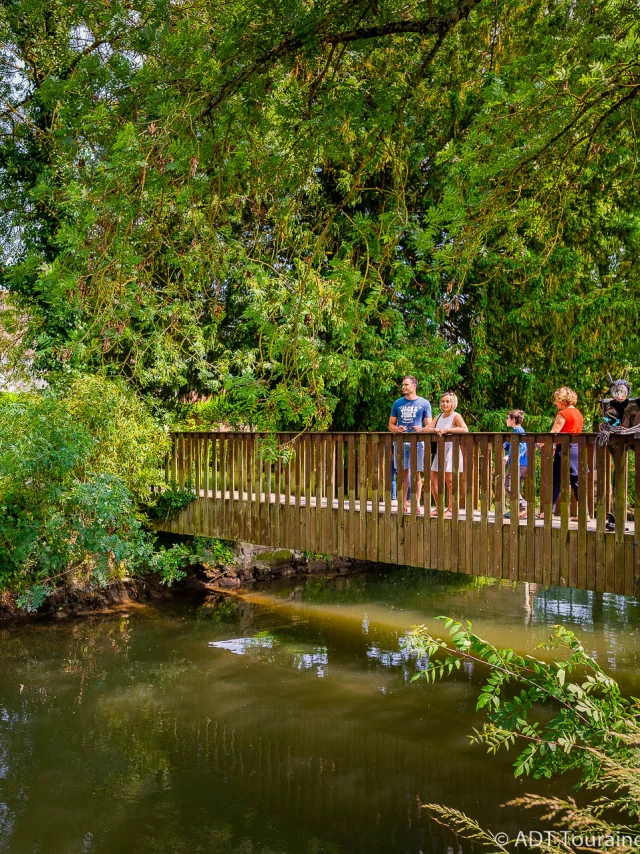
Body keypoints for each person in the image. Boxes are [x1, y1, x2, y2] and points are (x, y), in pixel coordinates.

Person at [388, 376, 432, 514]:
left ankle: (416, 503)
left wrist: (423, 430)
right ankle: (402, 503)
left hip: (418, 443)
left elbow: (429, 425)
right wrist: (396, 429)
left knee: (417, 474)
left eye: (406, 385)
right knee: (402, 473)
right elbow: (390, 424)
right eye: (402, 385)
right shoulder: (397, 403)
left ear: (414, 386)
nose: (403, 387)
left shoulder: (424, 403)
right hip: (401, 442)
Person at [424, 392, 468, 516]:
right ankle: (439, 507)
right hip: (440, 451)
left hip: (452, 450)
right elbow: (427, 428)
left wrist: (446, 430)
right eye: (443, 401)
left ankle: (451, 508)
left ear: (453, 403)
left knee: (450, 480)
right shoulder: (439, 416)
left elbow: (465, 429)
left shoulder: (456, 416)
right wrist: (435, 430)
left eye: (447, 401)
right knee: (433, 478)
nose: (444, 403)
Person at [542, 386, 583, 517]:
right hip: (577, 448)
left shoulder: (563, 413)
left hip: (565, 449)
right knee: (576, 482)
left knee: (556, 481)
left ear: (563, 400)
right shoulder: (578, 413)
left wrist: (540, 444)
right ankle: (585, 514)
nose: (555, 402)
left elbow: (554, 431)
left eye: (556, 399)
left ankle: (548, 512)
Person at [503, 409, 528, 519]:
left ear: (513, 420)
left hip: (517, 463)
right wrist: (507, 445)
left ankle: (523, 506)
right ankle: (516, 510)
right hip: (523, 464)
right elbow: (515, 445)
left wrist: (509, 456)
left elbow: (522, 446)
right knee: (515, 486)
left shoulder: (517, 430)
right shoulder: (519, 430)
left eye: (507, 418)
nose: (506, 420)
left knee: (508, 485)